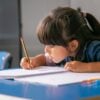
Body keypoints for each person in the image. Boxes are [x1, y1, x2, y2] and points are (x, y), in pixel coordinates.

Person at [20, 7, 100, 72]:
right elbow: (46, 59)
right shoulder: (65, 54)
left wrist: (86, 67)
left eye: (51, 45)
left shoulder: (93, 48)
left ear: (73, 45)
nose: (46, 50)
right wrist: (36, 60)